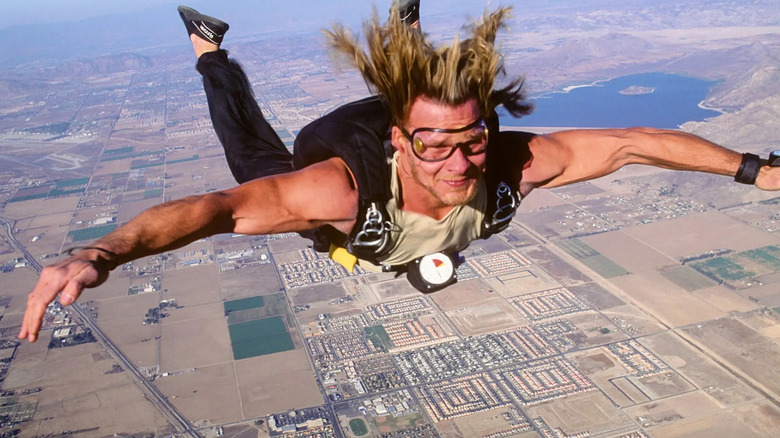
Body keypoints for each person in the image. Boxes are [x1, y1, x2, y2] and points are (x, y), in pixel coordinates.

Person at [19, 4, 779, 343]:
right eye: (437, 148)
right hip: (339, 144)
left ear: (490, 129)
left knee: (428, 102)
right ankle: (208, 49)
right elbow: (216, 210)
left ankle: (405, 29)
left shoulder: (506, 159)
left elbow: (631, 141)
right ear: (404, 143)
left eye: (473, 142)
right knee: (251, 156)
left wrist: (755, 170)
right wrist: (103, 253)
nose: (459, 165)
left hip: (397, 131)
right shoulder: (341, 198)